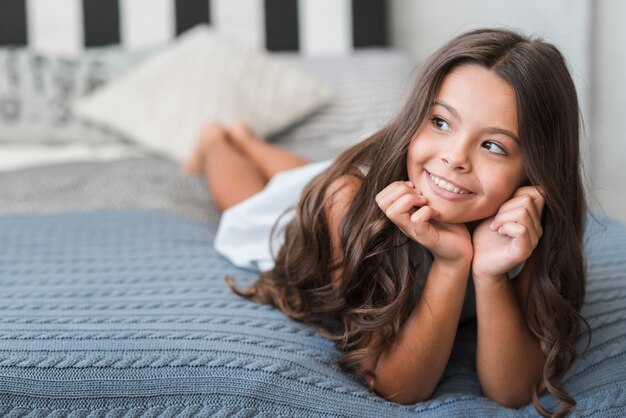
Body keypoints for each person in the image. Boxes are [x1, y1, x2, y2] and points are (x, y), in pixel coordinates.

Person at [184, 28, 589, 418]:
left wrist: (488, 275)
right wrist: (450, 265)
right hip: (324, 212)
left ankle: (247, 139)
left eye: (493, 146)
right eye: (441, 122)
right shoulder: (348, 204)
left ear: (536, 171)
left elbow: (512, 391)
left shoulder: (527, 225)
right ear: (416, 118)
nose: (455, 157)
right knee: (253, 197)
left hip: (382, 181)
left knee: (311, 173)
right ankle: (216, 141)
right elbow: (396, 385)